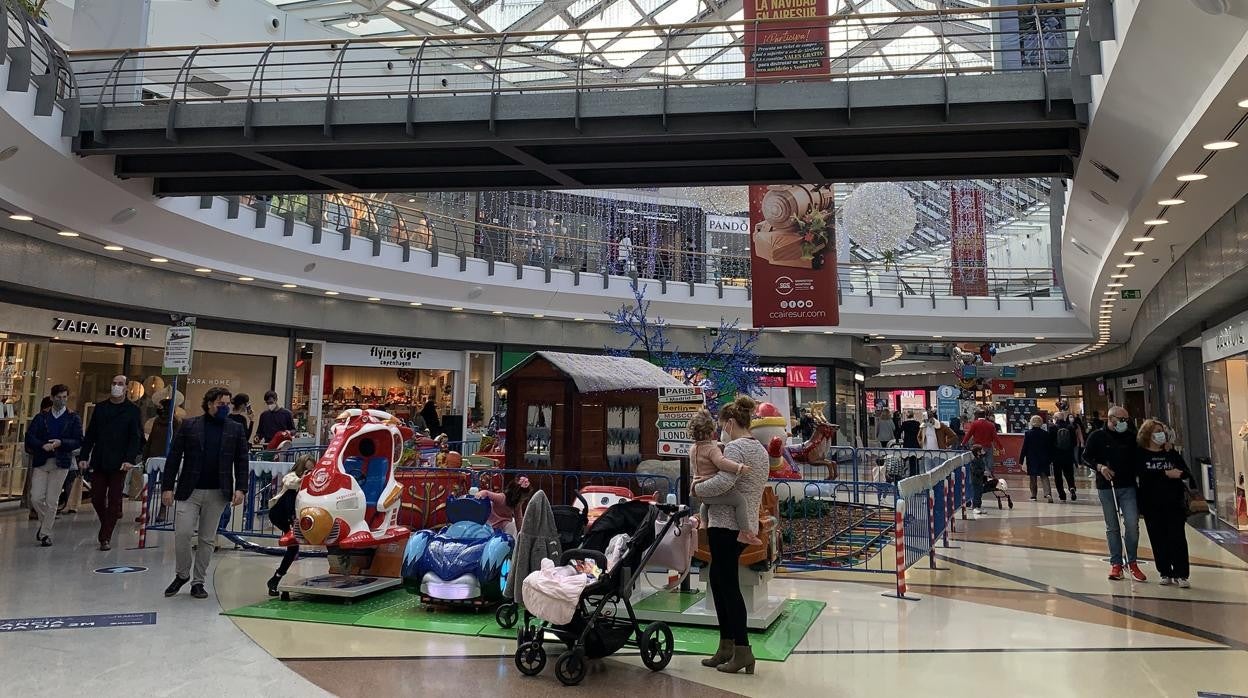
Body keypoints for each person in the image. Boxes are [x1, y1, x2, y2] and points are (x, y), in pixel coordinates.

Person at [691, 395, 768, 675]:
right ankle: (727, 646)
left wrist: (696, 489)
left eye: (722, 425)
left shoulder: (735, 449)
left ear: (731, 423)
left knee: (728, 586)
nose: (720, 431)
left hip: (726, 524)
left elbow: (723, 483)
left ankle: (742, 649)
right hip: (743, 523)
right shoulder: (759, 449)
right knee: (719, 581)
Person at [160, 387, 250, 600]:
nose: (225, 407)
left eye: (227, 404)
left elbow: (242, 460)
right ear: (209, 403)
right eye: (221, 404)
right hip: (189, 490)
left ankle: (198, 580)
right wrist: (167, 487)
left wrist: (241, 488)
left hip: (218, 492)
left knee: (207, 539)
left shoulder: (235, 429)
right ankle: (182, 573)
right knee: (182, 533)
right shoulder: (190, 426)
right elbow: (173, 457)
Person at [78, 374, 144, 551]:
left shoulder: (133, 411)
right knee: (97, 497)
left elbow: (135, 437)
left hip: (120, 462)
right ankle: (106, 521)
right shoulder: (100, 408)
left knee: (115, 499)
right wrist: (84, 456)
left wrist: (129, 459)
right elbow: (91, 434)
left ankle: (105, 536)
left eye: (120, 384)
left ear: (126, 388)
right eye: (114, 383)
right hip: (100, 458)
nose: (116, 386)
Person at [1083, 405, 1146, 582]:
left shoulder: (1131, 437)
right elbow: (1086, 456)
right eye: (1122, 419)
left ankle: (1132, 561)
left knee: (1132, 524)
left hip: (1128, 486)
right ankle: (1116, 563)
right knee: (1113, 526)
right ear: (1111, 419)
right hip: (1106, 486)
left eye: (1126, 419)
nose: (1125, 423)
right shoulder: (1097, 436)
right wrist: (1100, 467)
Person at [1136, 419, 1195, 588]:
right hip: (1151, 503)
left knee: (1177, 537)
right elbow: (1142, 475)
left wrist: (1178, 474)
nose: (1160, 434)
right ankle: (1165, 571)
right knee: (1158, 538)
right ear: (1148, 434)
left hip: (1174, 501)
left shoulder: (1171, 452)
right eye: (1156, 431)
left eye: (1161, 431)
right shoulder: (1140, 454)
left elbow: (1184, 472)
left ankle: (1181, 573)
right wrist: (1165, 473)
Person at [688, 411, 761, 546]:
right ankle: (745, 532)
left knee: (706, 503)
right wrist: (739, 467)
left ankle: (704, 523)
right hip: (709, 485)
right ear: (711, 432)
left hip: (697, 487)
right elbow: (721, 462)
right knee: (740, 501)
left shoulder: (693, 448)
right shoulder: (711, 449)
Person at [25, 385, 83, 547]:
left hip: (61, 462)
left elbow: (78, 439)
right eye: (59, 397)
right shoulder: (42, 417)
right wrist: (42, 445)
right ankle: (46, 523)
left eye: (65, 397)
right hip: (42, 460)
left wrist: (61, 443)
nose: (62, 400)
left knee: (52, 499)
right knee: (36, 497)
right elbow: (30, 436)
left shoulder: (73, 418)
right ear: (52, 398)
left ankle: (45, 533)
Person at [266, 454, 315, 596]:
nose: (311, 467)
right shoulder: (292, 476)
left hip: (295, 516)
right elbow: (290, 484)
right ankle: (275, 580)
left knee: (293, 549)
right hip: (280, 514)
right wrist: (304, 478)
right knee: (290, 494)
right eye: (308, 464)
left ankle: (275, 579)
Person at [24, 396, 54, 520]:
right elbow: (30, 437)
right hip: (38, 455)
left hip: (43, 455)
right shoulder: (40, 419)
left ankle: (39, 511)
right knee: (36, 486)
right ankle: (36, 510)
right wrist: (42, 445)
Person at [1020, 415, 1055, 503]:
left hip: (1032, 459)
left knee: (1033, 478)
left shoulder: (1028, 434)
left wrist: (1021, 459)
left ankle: (1033, 495)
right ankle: (1048, 494)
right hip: (1044, 458)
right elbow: (1050, 447)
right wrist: (1050, 459)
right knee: (1044, 477)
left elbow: (1025, 447)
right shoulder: (1046, 434)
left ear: (1031, 423)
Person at [1052, 412, 1079, 501]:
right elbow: (1075, 442)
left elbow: (1049, 443)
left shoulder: (1052, 428)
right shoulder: (1070, 427)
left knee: (1058, 476)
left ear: (1055, 418)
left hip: (1056, 456)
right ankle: (1071, 487)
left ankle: (1062, 494)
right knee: (1069, 474)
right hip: (1068, 455)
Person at [969, 444, 989, 515]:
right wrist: (983, 472)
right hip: (975, 480)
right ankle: (975, 507)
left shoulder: (980, 459)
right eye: (981, 450)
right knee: (976, 493)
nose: (983, 451)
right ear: (978, 452)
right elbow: (974, 471)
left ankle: (979, 506)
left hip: (980, 480)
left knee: (980, 493)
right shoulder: (974, 461)